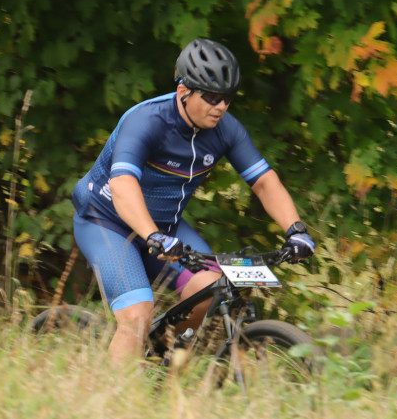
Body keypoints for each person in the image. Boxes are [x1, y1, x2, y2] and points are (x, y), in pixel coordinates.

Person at [70, 38, 315, 365]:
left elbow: (264, 182)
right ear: (184, 90)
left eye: (227, 98)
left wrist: (296, 230)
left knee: (210, 289)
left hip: (165, 227)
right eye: (212, 97)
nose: (221, 106)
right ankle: (115, 403)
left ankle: (159, 364)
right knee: (137, 315)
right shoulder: (146, 121)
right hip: (106, 222)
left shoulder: (227, 130)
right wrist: (152, 236)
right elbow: (123, 184)